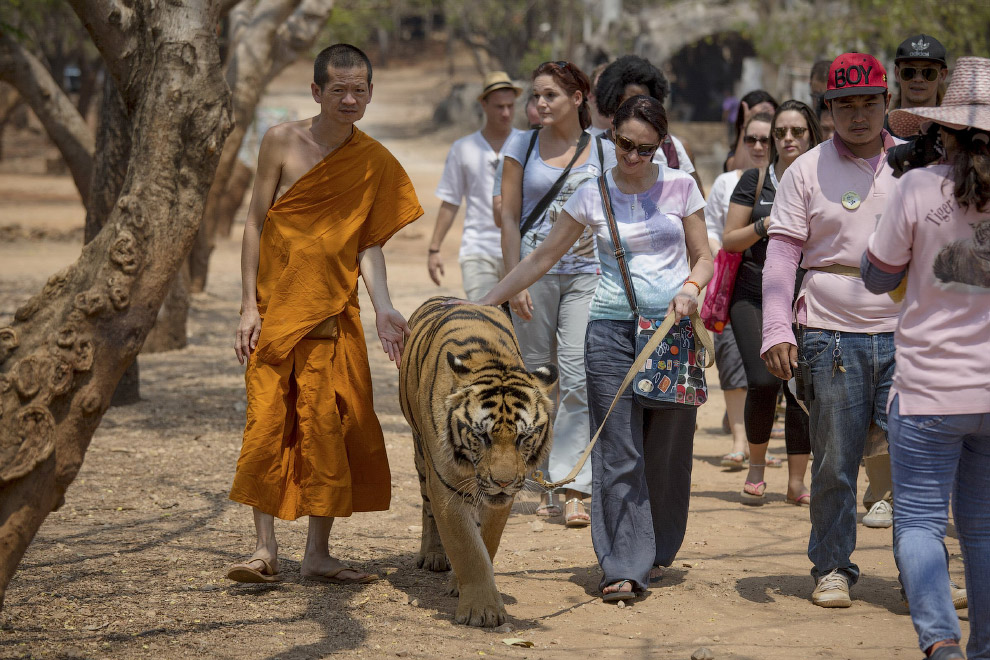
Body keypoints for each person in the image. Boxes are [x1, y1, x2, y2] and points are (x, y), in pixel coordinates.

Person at [478, 95, 712, 601]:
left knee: (666, 452)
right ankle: (623, 566)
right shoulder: (592, 193)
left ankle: (656, 546)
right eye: (625, 145)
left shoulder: (682, 187)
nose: (633, 157)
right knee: (618, 448)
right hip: (607, 330)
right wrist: (486, 303)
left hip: (670, 333)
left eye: (645, 150)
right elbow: (541, 257)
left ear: (661, 147)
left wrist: (692, 288)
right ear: (611, 139)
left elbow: (704, 257)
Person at [759, 52, 966, 608]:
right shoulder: (805, 169)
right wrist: (777, 327)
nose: (856, 115)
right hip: (829, 332)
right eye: (844, 104)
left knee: (917, 462)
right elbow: (782, 256)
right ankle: (831, 566)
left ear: (887, 104)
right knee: (834, 460)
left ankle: (923, 572)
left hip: (910, 333)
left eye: (868, 103)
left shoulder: (919, 165)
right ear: (828, 109)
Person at [227, 44, 423, 584]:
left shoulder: (374, 161)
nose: (349, 98)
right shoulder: (281, 142)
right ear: (316, 91)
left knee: (331, 426)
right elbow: (252, 223)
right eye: (337, 89)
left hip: (335, 315)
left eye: (359, 89)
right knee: (268, 425)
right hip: (276, 312)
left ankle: (317, 553)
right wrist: (247, 305)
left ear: (370, 93)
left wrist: (385, 307)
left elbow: (368, 243)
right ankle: (264, 550)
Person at [863, 55, 990, 660]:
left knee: (916, 522)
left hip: (927, 393)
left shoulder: (917, 187)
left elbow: (874, 275)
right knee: (984, 527)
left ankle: (940, 642)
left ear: (944, 131)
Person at [500, 61, 616, 527]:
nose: (539, 104)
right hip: (533, 273)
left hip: (588, 273)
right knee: (535, 378)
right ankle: (541, 477)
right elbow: (508, 217)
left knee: (575, 370)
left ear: (578, 97)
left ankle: (572, 485)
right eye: (536, 96)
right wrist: (515, 281)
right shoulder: (520, 144)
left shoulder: (603, 150)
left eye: (549, 95)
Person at [723, 102, 821, 506]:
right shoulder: (755, 178)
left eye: (797, 131)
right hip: (753, 296)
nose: (787, 139)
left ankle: (797, 482)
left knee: (799, 385)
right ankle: (757, 466)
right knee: (764, 379)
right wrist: (768, 222)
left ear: (811, 134)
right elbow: (730, 239)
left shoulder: (822, 175)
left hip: (805, 296)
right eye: (781, 132)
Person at [428, 71, 523, 301]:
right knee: (484, 320)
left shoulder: (527, 144)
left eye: (510, 106)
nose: (506, 113)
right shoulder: (463, 148)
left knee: (522, 330)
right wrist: (434, 249)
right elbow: (450, 201)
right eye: (499, 106)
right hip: (478, 250)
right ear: (483, 103)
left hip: (521, 252)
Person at [594, 55, 706, 195]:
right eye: (625, 143)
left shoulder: (673, 148)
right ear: (614, 103)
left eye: (646, 149)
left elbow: (695, 199)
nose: (638, 107)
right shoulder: (594, 148)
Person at [704, 162, 749, 471]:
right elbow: (709, 229)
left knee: (765, 373)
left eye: (763, 139)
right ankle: (739, 442)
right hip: (730, 282)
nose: (758, 145)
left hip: (768, 285)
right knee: (732, 361)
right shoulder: (723, 182)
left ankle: (754, 444)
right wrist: (723, 256)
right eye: (751, 138)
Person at [886, 34, 949, 138]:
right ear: (897, 74)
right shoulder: (879, 131)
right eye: (909, 72)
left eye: (928, 72)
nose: (918, 79)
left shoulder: (953, 133)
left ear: (942, 76)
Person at [724, 90, 778, 171]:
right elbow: (735, 174)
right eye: (757, 117)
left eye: (768, 116)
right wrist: (745, 126)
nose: (758, 147)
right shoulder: (738, 152)